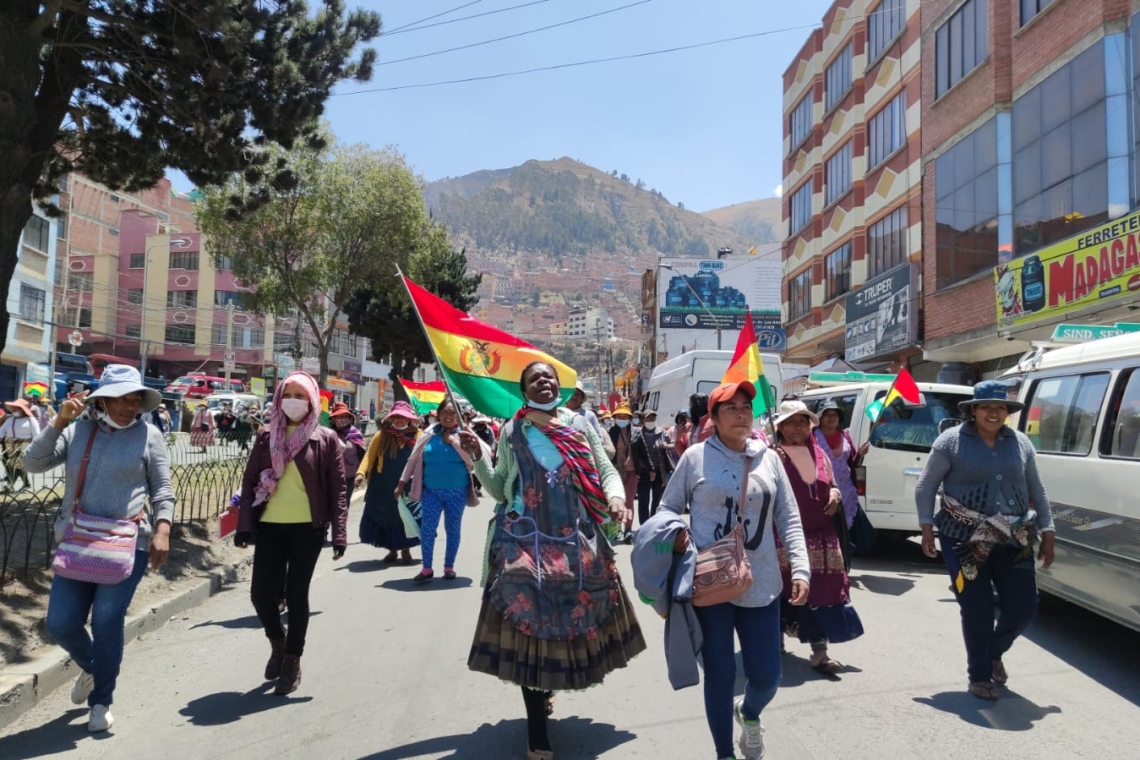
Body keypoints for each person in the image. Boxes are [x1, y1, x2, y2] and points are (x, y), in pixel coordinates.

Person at [464, 361, 645, 760]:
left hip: (576, 541)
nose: (543, 381)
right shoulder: (512, 432)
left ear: (558, 385)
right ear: (524, 388)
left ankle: (547, 690)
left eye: (549, 376)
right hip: (522, 542)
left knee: (571, 619)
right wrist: (478, 457)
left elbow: (606, 471)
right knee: (528, 622)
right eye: (534, 378)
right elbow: (497, 488)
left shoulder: (580, 426)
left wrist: (616, 497)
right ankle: (536, 730)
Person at [656, 381, 809, 760]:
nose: (741, 413)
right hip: (710, 584)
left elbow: (788, 517)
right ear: (714, 417)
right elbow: (666, 509)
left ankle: (750, 712)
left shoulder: (769, 459)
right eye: (731, 408)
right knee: (721, 674)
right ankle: (724, 752)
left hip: (762, 584)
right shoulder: (694, 458)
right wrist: (676, 533)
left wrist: (801, 569)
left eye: (746, 407)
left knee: (767, 677)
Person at [24, 365, 173, 733]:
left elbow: (162, 489)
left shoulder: (150, 435)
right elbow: (33, 462)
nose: (130, 405)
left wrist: (163, 529)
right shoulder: (78, 431)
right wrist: (58, 422)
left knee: (107, 622)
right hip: (79, 541)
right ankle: (94, 668)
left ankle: (101, 700)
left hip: (128, 543)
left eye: (136, 398)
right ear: (101, 400)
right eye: (122, 398)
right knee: (60, 623)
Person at [915, 380, 1054, 702]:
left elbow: (1038, 490)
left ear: (1007, 411)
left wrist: (1048, 531)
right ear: (973, 410)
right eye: (987, 407)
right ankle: (979, 675)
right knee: (975, 608)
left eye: (1000, 407)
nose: (994, 413)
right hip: (963, 539)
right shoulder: (951, 442)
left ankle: (993, 652)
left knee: (1024, 605)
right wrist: (925, 528)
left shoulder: (1020, 443)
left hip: (1013, 537)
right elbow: (925, 487)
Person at [234, 371, 348, 696]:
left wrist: (339, 534)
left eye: (301, 395)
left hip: (307, 529)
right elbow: (249, 480)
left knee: (297, 596)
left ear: (312, 400)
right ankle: (278, 643)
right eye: (289, 393)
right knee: (260, 594)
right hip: (269, 526)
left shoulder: (325, 439)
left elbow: (339, 489)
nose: (294, 401)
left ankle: (293, 662)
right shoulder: (266, 436)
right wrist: (244, 526)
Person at [772, 400, 858, 675]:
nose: (797, 427)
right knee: (784, 590)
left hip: (822, 537)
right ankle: (776, 640)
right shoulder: (771, 455)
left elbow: (831, 484)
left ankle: (820, 651)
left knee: (824, 592)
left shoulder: (820, 453)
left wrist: (834, 494)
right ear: (780, 427)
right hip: (784, 536)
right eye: (791, 422)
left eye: (803, 421)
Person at [397, 398, 480, 583]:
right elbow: (413, 459)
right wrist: (402, 481)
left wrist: (452, 441)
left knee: (453, 529)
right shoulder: (428, 435)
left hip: (457, 492)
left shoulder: (465, 435)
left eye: (452, 413)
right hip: (431, 491)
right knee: (427, 529)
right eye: (445, 413)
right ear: (439, 415)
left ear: (459, 416)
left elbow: (472, 459)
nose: (449, 417)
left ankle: (449, 567)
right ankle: (427, 568)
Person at [356, 401, 421, 564]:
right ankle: (392, 550)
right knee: (388, 516)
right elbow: (369, 456)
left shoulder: (418, 435)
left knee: (405, 517)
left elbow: (425, 458)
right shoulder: (382, 434)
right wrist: (361, 472)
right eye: (396, 417)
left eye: (403, 417)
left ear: (409, 419)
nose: (399, 420)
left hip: (407, 483)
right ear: (391, 418)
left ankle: (406, 550)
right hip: (383, 484)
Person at [813, 400, 869, 570]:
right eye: (827, 414)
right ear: (820, 418)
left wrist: (860, 454)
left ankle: (841, 565)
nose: (831, 418)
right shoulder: (812, 436)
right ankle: (824, 565)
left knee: (843, 531)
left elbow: (852, 463)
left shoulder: (845, 436)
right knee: (825, 527)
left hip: (846, 492)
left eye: (835, 414)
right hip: (822, 490)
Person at [632, 409, 670, 524]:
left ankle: (653, 522)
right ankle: (644, 524)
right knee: (643, 499)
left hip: (659, 470)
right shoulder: (638, 433)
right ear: (643, 420)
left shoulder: (662, 432)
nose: (651, 420)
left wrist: (667, 445)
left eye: (653, 418)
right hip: (644, 471)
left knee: (657, 500)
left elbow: (672, 443)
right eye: (648, 418)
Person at [608, 403, 639, 543]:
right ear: (614, 418)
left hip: (632, 470)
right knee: (614, 501)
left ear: (629, 418)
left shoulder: (637, 432)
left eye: (624, 416)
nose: (622, 418)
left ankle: (628, 530)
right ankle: (616, 529)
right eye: (619, 416)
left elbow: (642, 451)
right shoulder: (611, 432)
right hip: (615, 471)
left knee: (629, 501)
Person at [1, 398, 41, 490]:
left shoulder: (31, 420)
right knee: (13, 465)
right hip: (9, 447)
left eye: (17, 408)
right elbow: (1, 431)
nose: (15, 409)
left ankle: (10, 483)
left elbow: (36, 435)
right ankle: (26, 484)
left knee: (18, 465)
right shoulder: (10, 420)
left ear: (23, 409)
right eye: (14, 407)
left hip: (24, 446)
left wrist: (36, 448)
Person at [329, 402, 366, 504]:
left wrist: (361, 474)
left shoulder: (356, 435)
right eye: (338, 417)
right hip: (330, 477)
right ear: (333, 419)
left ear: (350, 418)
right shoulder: (327, 434)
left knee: (343, 506)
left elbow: (363, 456)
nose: (342, 419)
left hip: (349, 478)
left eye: (345, 416)